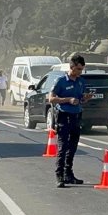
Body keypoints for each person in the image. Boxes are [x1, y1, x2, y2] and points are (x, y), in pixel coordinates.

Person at [47, 55, 90, 187]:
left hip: (76, 116)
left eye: (82, 69)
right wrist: (68, 100)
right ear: (72, 67)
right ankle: (59, 175)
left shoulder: (81, 81)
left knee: (72, 147)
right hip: (64, 116)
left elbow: (80, 98)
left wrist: (85, 98)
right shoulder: (61, 81)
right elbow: (51, 99)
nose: (80, 72)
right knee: (63, 147)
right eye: (78, 69)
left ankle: (68, 174)